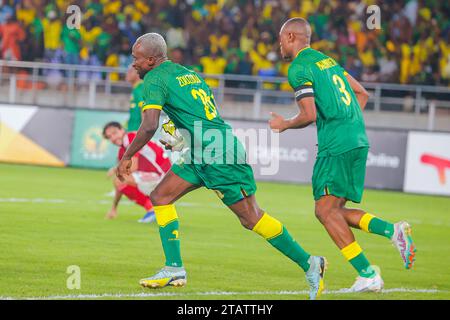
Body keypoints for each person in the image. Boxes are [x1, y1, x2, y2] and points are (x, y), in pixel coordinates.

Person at [116, 32, 327, 300]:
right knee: (160, 195)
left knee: (251, 218)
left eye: (136, 59)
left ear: (152, 59)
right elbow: (199, 114)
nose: (132, 64)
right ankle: (174, 268)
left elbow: (148, 125)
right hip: (200, 152)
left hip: (219, 155)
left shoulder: (155, 79)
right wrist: (182, 139)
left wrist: (127, 156)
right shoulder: (188, 74)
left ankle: (310, 263)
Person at [269, 18, 416, 293]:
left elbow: (309, 115)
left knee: (324, 211)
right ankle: (392, 231)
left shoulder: (299, 67)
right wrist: (348, 124)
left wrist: (284, 125)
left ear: (290, 36)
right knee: (334, 210)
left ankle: (368, 273)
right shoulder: (328, 62)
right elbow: (362, 93)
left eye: (280, 39)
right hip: (358, 140)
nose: (279, 44)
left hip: (336, 145)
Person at [103, 121, 171, 223]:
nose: (113, 138)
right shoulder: (122, 151)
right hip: (155, 176)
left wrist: (115, 170)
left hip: (163, 175)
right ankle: (156, 209)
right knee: (120, 181)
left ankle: (152, 209)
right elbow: (120, 184)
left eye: (114, 133)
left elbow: (132, 167)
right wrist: (114, 208)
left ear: (122, 130)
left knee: (120, 179)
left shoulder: (131, 137)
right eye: (109, 137)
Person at [125, 64, 144, 131]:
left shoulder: (140, 88)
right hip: (132, 131)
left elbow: (145, 110)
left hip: (136, 133)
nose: (127, 74)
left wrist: (143, 133)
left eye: (130, 71)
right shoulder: (136, 88)